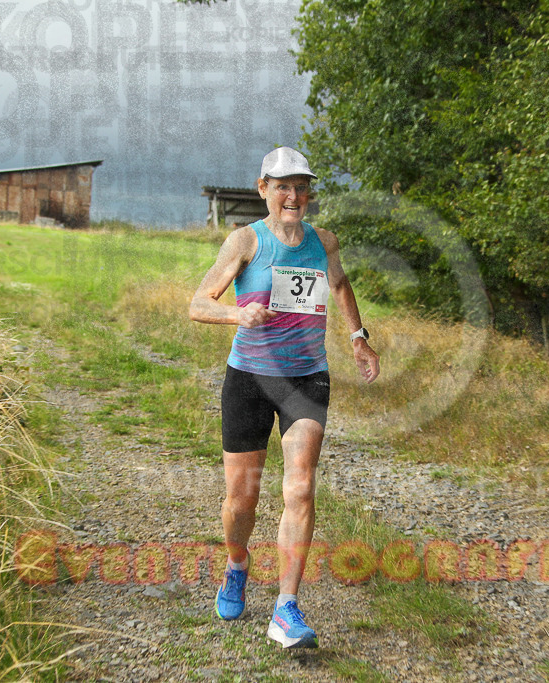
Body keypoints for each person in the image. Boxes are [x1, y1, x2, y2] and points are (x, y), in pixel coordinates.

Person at [189, 147, 380, 649]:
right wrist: (237, 315)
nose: (292, 196)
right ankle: (237, 564)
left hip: (305, 378)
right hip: (248, 378)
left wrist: (358, 336)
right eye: (282, 187)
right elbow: (197, 303)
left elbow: (338, 284)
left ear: (309, 192)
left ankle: (286, 608)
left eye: (300, 187)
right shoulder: (246, 241)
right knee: (241, 499)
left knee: (299, 489)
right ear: (263, 190)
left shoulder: (325, 242)